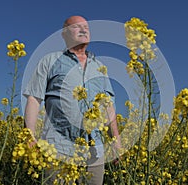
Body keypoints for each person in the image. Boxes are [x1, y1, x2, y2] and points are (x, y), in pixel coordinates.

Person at [23, 15, 121, 184]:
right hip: (58, 148)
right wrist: (29, 136)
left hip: (94, 151)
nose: (84, 29)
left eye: (87, 27)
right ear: (64, 33)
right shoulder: (50, 61)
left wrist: (116, 140)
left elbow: (108, 106)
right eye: (77, 26)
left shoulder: (99, 67)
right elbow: (34, 98)